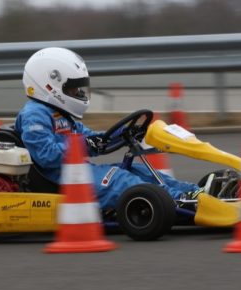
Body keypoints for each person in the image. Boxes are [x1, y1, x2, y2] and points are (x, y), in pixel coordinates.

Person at [15, 47, 201, 210]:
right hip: (61, 179)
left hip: (79, 172)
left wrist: (120, 134)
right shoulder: (34, 115)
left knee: (138, 171)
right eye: (72, 89)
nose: (78, 93)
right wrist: (85, 144)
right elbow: (46, 156)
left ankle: (194, 192)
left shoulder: (59, 113)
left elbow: (89, 137)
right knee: (121, 179)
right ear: (50, 85)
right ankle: (178, 200)